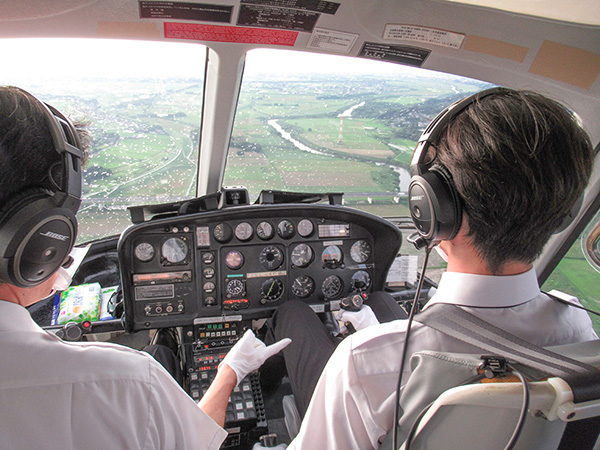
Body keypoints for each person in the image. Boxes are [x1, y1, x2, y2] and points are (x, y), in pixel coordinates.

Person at [268, 88, 598, 449]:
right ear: (564, 213)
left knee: (294, 312)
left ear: (433, 210)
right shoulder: (579, 328)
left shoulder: (366, 363)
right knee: (378, 299)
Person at [0, 86, 290, 449]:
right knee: (159, 355)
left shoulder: (126, 380)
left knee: (160, 350)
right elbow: (199, 442)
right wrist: (230, 371)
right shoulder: (126, 383)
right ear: (42, 239)